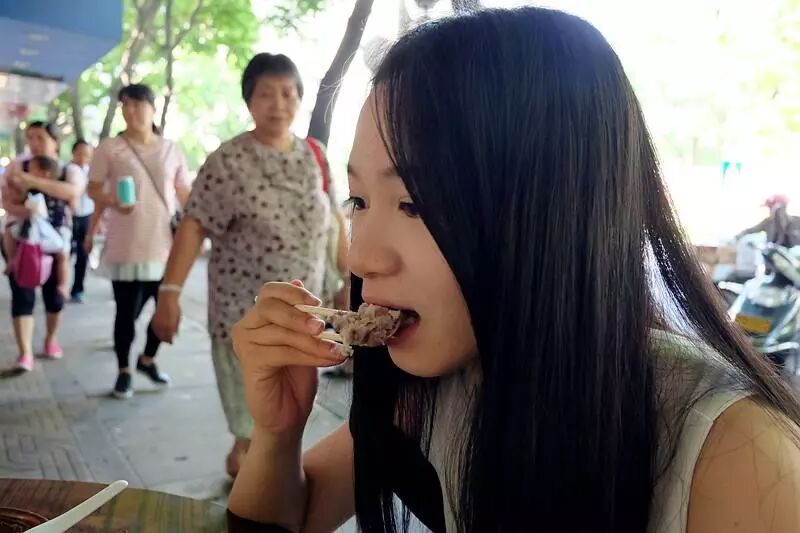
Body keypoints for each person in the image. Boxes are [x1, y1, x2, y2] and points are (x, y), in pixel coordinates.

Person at [226, 8, 800, 533]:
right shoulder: (430, 389)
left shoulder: (735, 456)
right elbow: (293, 516)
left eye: (415, 204)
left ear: (556, 208)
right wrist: (277, 433)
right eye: (358, 201)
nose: (361, 259)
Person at [151, 52, 348, 478]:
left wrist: (349, 283)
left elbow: (333, 223)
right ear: (249, 101)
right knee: (253, 431)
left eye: (288, 93)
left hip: (304, 320)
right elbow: (194, 226)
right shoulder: (228, 161)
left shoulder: (315, 155)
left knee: (285, 423)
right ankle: (249, 496)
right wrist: (169, 294)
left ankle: (264, 491)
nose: (278, 104)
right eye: (266, 94)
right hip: (245, 321)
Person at [87, 83, 190, 399]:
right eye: (126, 105)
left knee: (165, 310)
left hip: (165, 246)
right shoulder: (110, 148)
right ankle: (124, 371)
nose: (131, 110)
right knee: (126, 312)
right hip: (126, 245)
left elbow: (184, 193)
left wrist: (201, 226)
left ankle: (147, 359)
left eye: (138, 104)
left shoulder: (171, 149)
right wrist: (113, 202)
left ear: (152, 108)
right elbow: (93, 189)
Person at [1, 122, 80, 371]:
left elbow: (72, 193)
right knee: (22, 294)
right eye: (31, 138)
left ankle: (50, 339)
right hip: (24, 237)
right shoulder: (17, 166)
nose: (34, 143)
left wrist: (30, 181)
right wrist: (26, 210)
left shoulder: (69, 169)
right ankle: (25, 353)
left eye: (40, 138)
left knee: (54, 297)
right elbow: (7, 199)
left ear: (55, 141)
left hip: (54, 239)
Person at [3, 156, 71, 299]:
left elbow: (72, 202)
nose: (28, 171)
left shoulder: (57, 188)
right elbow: (15, 200)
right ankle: (12, 259)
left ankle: (63, 284)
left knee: (63, 254)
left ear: (45, 173)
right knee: (9, 232)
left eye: (33, 169)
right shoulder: (28, 187)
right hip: (31, 226)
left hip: (55, 228)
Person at [68, 139, 94, 303]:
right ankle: (58, 285)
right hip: (69, 217)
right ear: (74, 153)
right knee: (65, 253)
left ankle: (78, 288)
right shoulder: (67, 170)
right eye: (80, 153)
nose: (83, 157)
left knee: (83, 254)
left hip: (86, 216)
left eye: (87, 154)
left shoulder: (92, 172)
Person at [736, 194, 800, 247]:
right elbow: (750, 230)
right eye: (770, 208)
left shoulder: (797, 221)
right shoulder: (767, 222)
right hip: (772, 256)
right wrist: (737, 237)